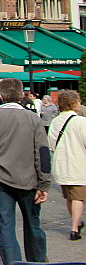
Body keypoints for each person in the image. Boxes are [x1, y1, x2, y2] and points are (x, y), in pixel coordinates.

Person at [0, 77, 50, 265]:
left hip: (1, 179)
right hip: (29, 180)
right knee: (33, 224)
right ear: (21, 95)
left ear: (0, 95)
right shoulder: (33, 118)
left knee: (7, 226)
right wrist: (44, 184)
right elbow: (42, 154)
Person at [48, 90, 86, 241]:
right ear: (74, 104)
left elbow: (51, 144)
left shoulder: (55, 121)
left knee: (69, 196)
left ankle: (75, 223)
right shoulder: (80, 121)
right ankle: (74, 228)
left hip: (60, 165)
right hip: (78, 163)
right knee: (78, 197)